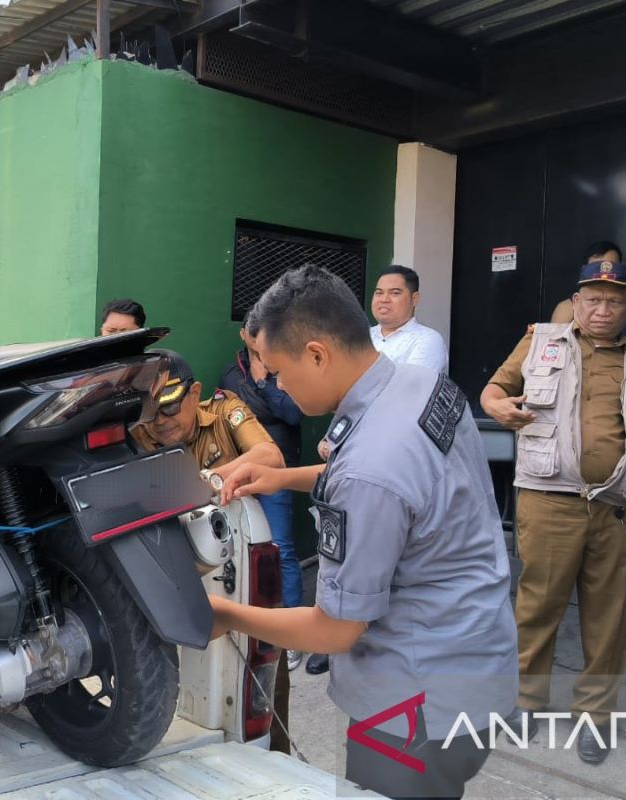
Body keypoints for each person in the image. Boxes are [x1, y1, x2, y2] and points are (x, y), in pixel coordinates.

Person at [213, 266, 517, 799]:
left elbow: (335, 631)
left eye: (279, 370)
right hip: (477, 668)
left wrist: (224, 616)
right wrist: (284, 476)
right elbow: (409, 487)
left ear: (316, 354)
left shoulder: (371, 467)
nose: (276, 385)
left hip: (412, 713)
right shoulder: (419, 383)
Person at [481, 258, 626, 765]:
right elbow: (493, 389)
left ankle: (596, 716)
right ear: (576, 302)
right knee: (537, 604)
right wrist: (498, 407)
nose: (602, 309)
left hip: (617, 510)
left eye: (613, 301)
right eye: (592, 299)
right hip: (548, 501)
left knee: (607, 617)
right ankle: (525, 701)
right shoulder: (540, 341)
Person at [129, 350, 291, 752]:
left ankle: (278, 756)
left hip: (234, 572)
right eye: (153, 412)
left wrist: (205, 480)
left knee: (262, 686)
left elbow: (270, 458)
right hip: (171, 575)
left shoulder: (223, 412)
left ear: (194, 393)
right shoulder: (138, 433)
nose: (161, 422)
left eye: (169, 408)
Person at [219, 316, 305, 671]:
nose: (259, 338)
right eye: (254, 332)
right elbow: (228, 412)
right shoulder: (230, 373)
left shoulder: (283, 367)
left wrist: (264, 385)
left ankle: (295, 634)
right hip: (238, 472)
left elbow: (292, 414)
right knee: (242, 553)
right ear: (244, 335)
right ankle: (257, 630)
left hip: (276, 472)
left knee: (281, 549)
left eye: (266, 331)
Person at [551, 241, 626, 347]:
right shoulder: (566, 308)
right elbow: (554, 351)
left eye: (611, 265)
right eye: (597, 266)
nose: (605, 271)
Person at [369, 265, 447, 372]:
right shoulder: (360, 337)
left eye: (395, 293)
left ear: (414, 299)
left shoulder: (427, 339)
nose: (384, 299)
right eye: (379, 293)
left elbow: (412, 386)